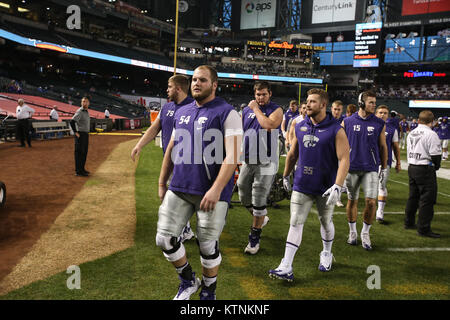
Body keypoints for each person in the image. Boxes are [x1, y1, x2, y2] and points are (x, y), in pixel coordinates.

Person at [155, 65, 242, 300]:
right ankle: (188, 280)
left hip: (211, 191)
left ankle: (209, 291)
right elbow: (171, 149)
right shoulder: (183, 111)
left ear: (214, 85)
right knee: (164, 239)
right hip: (180, 187)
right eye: (194, 79)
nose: (196, 83)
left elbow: (233, 157)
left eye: (202, 80)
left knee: (206, 246)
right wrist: (163, 182)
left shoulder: (227, 112)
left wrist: (216, 189)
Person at [268, 88, 349, 281]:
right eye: (307, 101)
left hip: (326, 187)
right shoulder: (300, 125)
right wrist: (286, 176)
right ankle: (286, 265)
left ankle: (327, 252)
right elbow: (293, 153)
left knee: (325, 222)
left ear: (323, 105)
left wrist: (338, 185)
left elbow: (345, 158)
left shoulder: (336, 129)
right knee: (295, 222)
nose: (308, 104)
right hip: (302, 183)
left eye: (312, 101)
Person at [131, 74, 195, 242]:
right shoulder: (166, 108)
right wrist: (139, 145)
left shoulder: (194, 106)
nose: (167, 90)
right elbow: (155, 128)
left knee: (176, 197)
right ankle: (186, 229)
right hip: (169, 159)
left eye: (169, 86)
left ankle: (180, 230)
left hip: (185, 162)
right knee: (171, 195)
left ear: (178, 88)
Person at [237, 81, 283, 255]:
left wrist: (256, 108)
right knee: (242, 193)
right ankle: (261, 218)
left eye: (263, 94)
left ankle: (254, 239)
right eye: (257, 94)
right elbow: (243, 131)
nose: (260, 97)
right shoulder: (246, 110)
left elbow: (269, 125)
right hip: (248, 158)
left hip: (266, 160)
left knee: (258, 197)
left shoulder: (276, 110)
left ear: (269, 93)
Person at [342, 91, 388, 250]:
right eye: (371, 102)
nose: (374, 105)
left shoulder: (379, 123)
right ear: (361, 103)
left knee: (370, 202)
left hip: (371, 168)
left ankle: (365, 233)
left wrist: (384, 166)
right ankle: (352, 232)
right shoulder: (346, 121)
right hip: (352, 167)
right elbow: (339, 145)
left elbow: (383, 146)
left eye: (375, 102)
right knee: (352, 200)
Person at [405, 110, 442, 238]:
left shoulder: (411, 133)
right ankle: (423, 229)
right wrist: (436, 167)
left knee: (413, 197)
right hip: (424, 168)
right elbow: (436, 156)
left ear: (419, 120)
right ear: (432, 121)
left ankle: (409, 222)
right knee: (427, 199)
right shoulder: (431, 134)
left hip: (412, 166)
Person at [375, 105, 401, 223]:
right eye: (380, 112)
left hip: (385, 162)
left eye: (385, 113)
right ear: (376, 114)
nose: (382, 115)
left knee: (381, 186)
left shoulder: (392, 129)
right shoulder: (369, 125)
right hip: (368, 162)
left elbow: (395, 146)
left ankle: (380, 212)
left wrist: (399, 162)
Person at [70, 97, 91, 177]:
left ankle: (82, 169)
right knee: (79, 153)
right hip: (80, 135)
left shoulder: (86, 112)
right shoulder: (80, 111)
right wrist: (75, 132)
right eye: (82, 101)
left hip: (85, 134)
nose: (84, 103)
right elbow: (72, 121)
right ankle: (78, 171)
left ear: (89, 103)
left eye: (85, 101)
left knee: (84, 152)